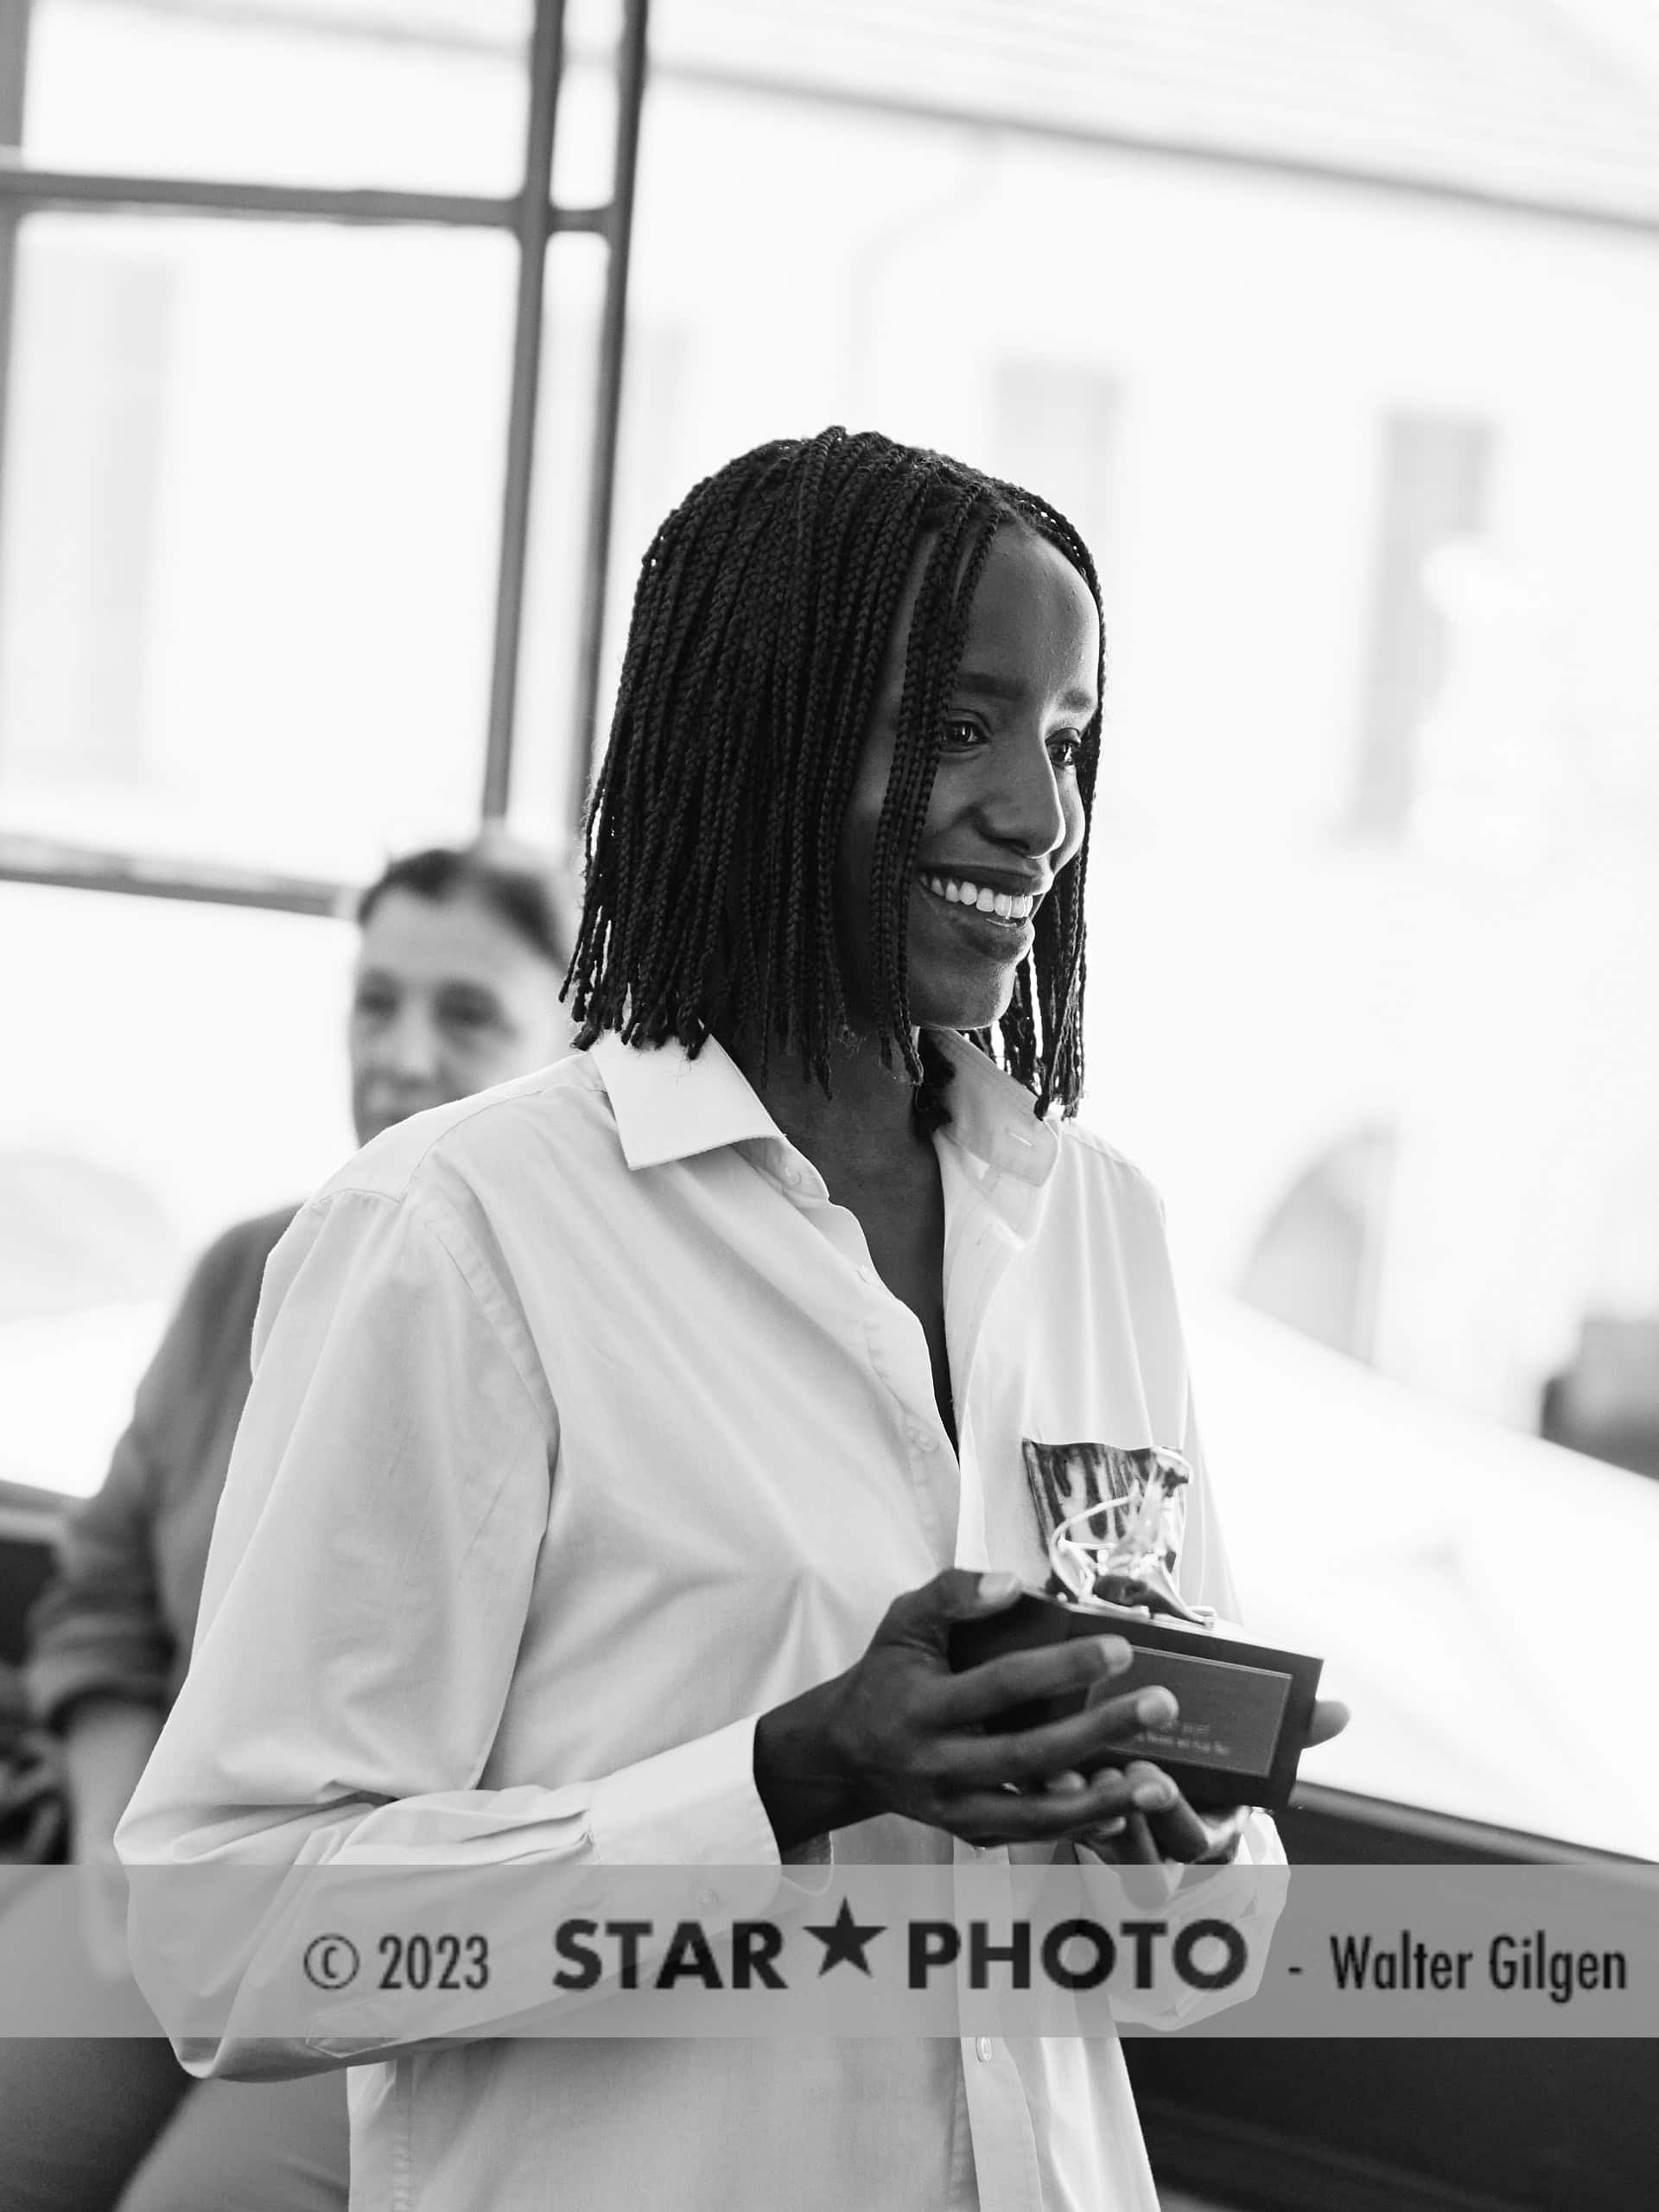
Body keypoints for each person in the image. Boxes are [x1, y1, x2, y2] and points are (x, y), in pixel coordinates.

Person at [118, 430, 1344, 2210]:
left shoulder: (1099, 1226)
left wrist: (1181, 1826)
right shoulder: (459, 1230)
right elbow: (230, 1943)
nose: (1040, 813)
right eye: (959, 727)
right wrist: (785, 1773)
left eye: (1066, 738)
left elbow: (1181, 1960)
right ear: (764, 734)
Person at [0, 837, 575, 2212]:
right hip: (167, 1868)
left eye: (467, 1015)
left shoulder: (588, 1334)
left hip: (401, 1939)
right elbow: (105, 1595)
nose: (404, 1054)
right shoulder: (248, 1274)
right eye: (375, 1004)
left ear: (573, 1038)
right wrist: (113, 1854)